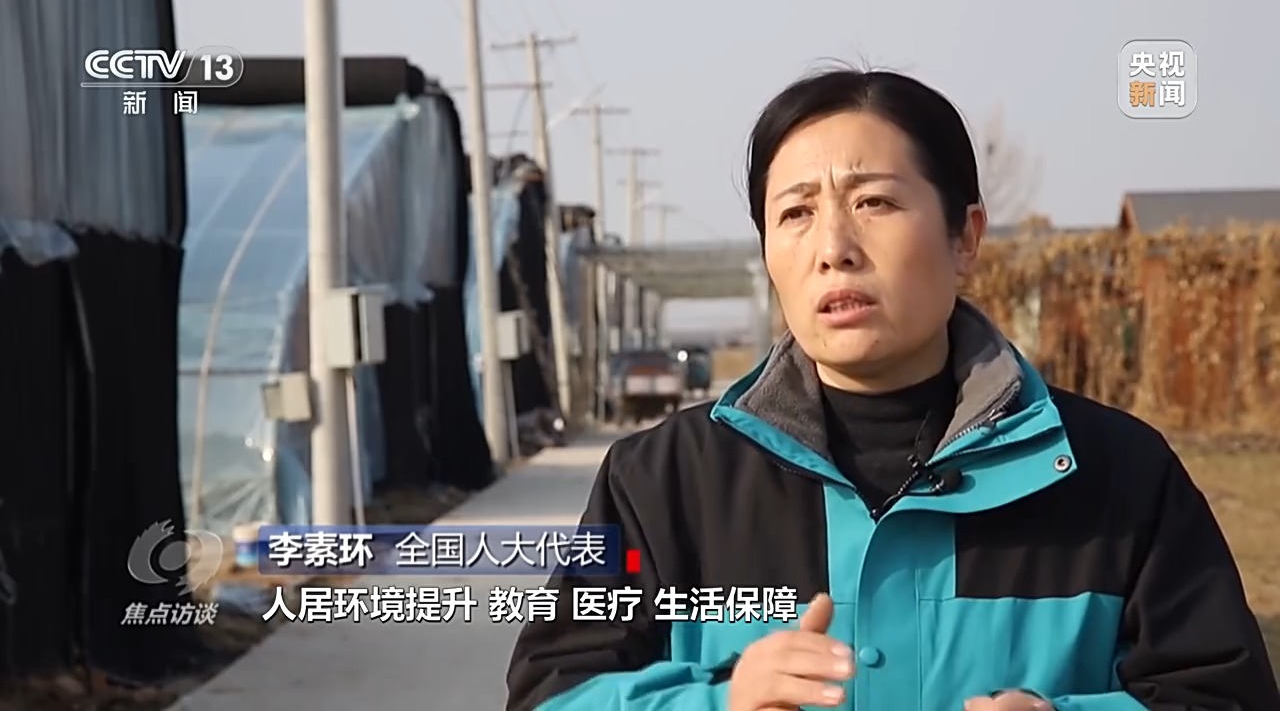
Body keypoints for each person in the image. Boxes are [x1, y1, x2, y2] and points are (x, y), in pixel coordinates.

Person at [505, 66, 1280, 711]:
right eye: (796, 213)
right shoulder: (664, 482)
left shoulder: (1116, 474)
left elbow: (1224, 693)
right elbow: (551, 694)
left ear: (965, 237)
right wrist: (720, 701)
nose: (833, 248)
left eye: (873, 202)